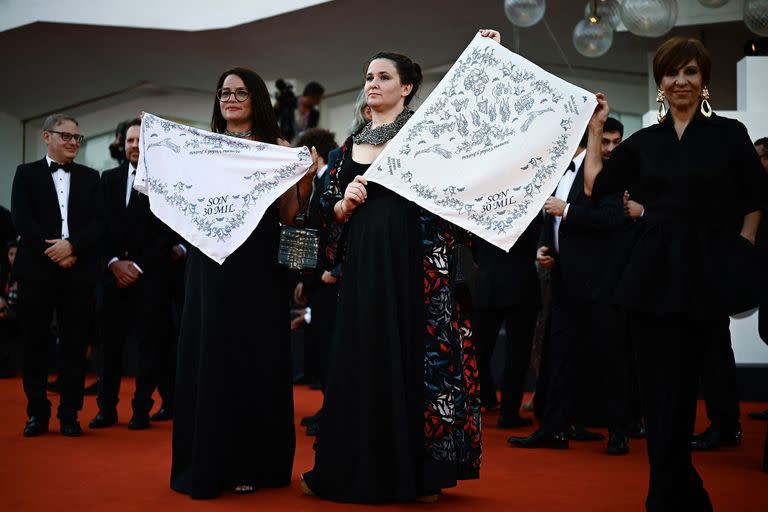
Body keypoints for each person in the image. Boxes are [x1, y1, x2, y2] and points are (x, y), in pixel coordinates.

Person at [301, 29, 501, 504]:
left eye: (383, 76)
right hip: (365, 274)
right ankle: (353, 467)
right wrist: (343, 206)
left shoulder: (428, 134)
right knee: (362, 360)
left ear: (407, 87)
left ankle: (419, 471)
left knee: (418, 361)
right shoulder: (346, 149)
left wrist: (481, 59)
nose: (372, 83)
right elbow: (322, 214)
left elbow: (473, 128)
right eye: (369, 76)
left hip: (419, 274)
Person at [582, 37, 767, 511]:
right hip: (651, 273)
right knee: (658, 390)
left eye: (689, 72)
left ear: (703, 79)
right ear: (660, 83)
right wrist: (597, 128)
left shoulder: (729, 134)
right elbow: (595, 186)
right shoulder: (644, 142)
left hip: (705, 272)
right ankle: (669, 491)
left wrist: (744, 244)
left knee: (688, 387)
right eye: (671, 74)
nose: (680, 81)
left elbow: (756, 196)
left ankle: (674, 490)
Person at [170, 67, 317, 499]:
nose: (230, 99)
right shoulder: (201, 148)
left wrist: (304, 181)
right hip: (209, 268)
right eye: (224, 92)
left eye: (240, 92)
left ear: (256, 98)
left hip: (258, 270)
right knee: (211, 356)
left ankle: (255, 461)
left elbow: (291, 218)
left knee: (255, 359)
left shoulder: (278, 149)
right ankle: (208, 462)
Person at [508, 132, 623, 451]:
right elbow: (550, 220)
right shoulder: (556, 172)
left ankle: (619, 431)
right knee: (559, 357)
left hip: (599, 282)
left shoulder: (601, 170)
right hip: (562, 279)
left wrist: (567, 209)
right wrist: (545, 248)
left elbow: (612, 218)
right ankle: (555, 429)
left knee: (606, 356)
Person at [11, 113, 103, 437]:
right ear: (46, 137)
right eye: (65, 136)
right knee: (34, 344)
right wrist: (53, 251)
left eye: (77, 137)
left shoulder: (92, 178)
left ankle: (70, 415)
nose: (72, 142)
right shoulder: (25, 174)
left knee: (75, 346)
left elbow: (99, 223)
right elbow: (21, 220)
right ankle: (36, 414)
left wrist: (72, 246)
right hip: (37, 271)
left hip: (77, 272)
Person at [89, 118, 173, 430]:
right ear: (121, 144)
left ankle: (141, 410)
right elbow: (99, 226)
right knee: (108, 347)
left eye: (141, 140)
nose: (135, 146)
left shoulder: (164, 181)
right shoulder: (107, 179)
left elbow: (166, 233)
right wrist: (113, 262)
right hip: (112, 279)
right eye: (130, 141)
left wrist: (137, 266)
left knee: (149, 347)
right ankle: (106, 409)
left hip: (148, 278)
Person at [472, 219, 541, 428]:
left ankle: (483, 401)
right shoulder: (530, 203)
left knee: (479, 351)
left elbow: (474, 246)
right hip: (520, 283)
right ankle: (508, 414)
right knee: (516, 355)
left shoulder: (484, 203)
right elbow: (536, 243)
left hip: (488, 282)